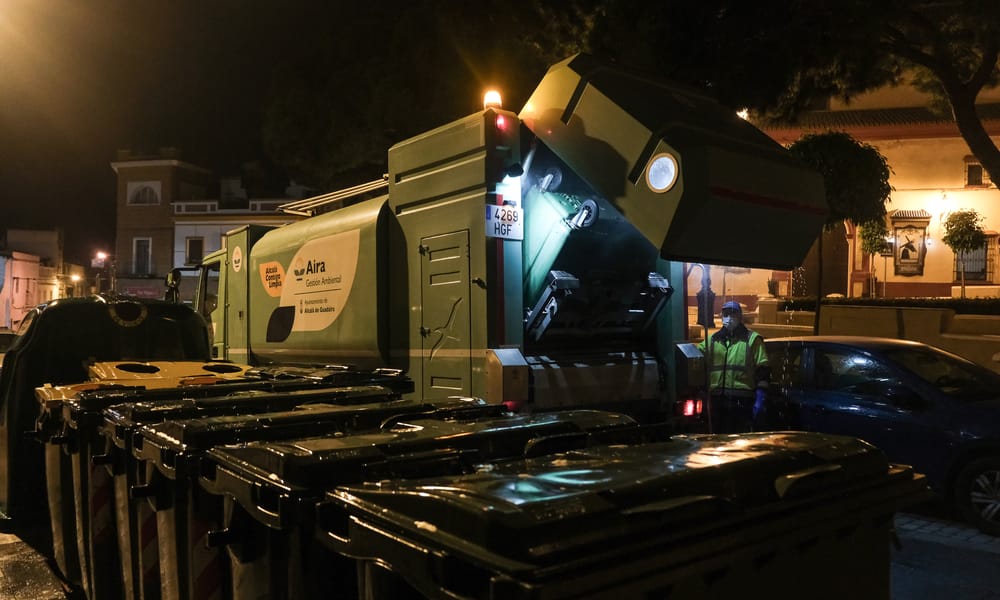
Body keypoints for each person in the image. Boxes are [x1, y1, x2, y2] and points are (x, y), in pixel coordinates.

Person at [697, 300, 771, 433]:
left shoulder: (752, 340)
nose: (729, 318)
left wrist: (760, 397)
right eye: (726, 314)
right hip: (716, 401)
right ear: (721, 316)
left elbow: (763, 370)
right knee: (717, 444)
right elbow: (695, 360)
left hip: (742, 402)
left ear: (740, 317)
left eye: (733, 314)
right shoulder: (712, 340)